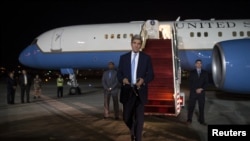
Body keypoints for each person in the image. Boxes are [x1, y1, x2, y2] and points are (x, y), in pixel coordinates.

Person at [117, 34, 154, 141]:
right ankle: (133, 130)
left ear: (141, 45)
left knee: (140, 120)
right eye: (134, 43)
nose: (136, 46)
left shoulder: (146, 58)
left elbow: (151, 75)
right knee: (126, 117)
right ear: (131, 44)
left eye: (139, 44)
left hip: (140, 92)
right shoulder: (123, 58)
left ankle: (138, 138)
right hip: (128, 91)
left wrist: (143, 80)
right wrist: (123, 79)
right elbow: (119, 74)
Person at [187, 59, 209, 126]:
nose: (199, 64)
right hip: (193, 93)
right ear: (195, 64)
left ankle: (201, 120)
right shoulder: (192, 72)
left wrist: (201, 89)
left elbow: (206, 83)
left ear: (201, 65)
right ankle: (189, 119)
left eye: (200, 63)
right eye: (197, 63)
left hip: (201, 93)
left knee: (201, 107)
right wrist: (195, 89)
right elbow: (190, 83)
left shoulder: (205, 73)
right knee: (191, 107)